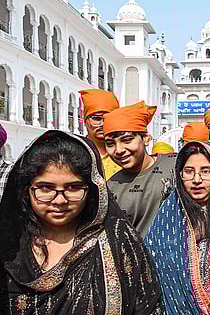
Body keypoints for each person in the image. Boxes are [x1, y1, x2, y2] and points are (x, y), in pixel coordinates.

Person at [0, 130, 165, 314]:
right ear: (26, 190)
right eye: (46, 188)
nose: (60, 200)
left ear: (94, 189)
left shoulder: (118, 240)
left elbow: (148, 306)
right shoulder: (10, 244)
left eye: (73, 187)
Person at [144, 141, 210, 314]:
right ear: (179, 174)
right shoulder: (167, 218)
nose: (197, 180)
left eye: (205, 171)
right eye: (189, 172)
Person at [104, 102, 176, 237]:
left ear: (146, 139)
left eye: (127, 140)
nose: (118, 150)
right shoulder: (110, 188)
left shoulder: (176, 165)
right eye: (110, 144)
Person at [79, 89, 122, 180]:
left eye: (108, 119)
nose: (102, 124)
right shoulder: (75, 151)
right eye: (97, 118)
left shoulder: (124, 154)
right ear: (85, 121)